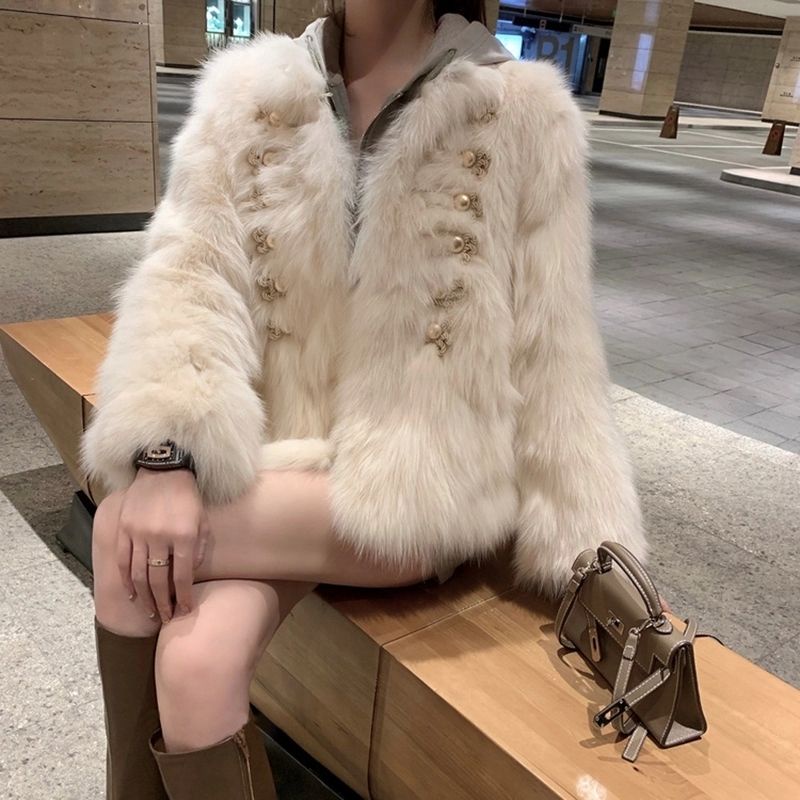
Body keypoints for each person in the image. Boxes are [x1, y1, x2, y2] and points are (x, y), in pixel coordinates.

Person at [82, 1, 664, 797]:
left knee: (119, 532)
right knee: (195, 664)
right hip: (285, 471)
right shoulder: (248, 92)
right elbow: (187, 278)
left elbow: (555, 343)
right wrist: (166, 449)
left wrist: (596, 547)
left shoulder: (521, 109)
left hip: (419, 484)